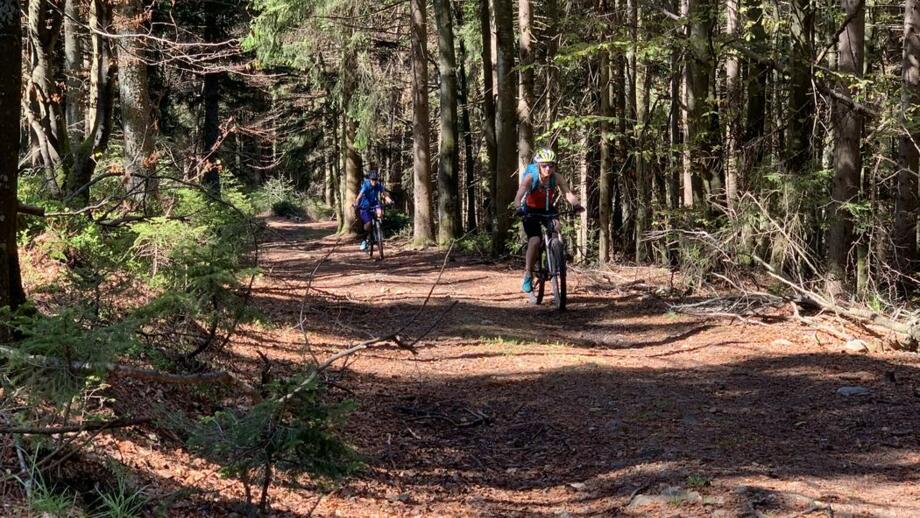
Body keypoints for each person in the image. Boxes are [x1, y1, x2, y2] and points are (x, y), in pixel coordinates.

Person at [513, 148, 583, 293]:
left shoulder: (556, 177)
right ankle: (528, 274)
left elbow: (567, 193)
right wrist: (518, 207)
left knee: (557, 228)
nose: (548, 168)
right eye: (544, 165)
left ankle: (553, 257)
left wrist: (576, 204)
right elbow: (519, 194)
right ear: (539, 166)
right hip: (530, 210)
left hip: (548, 210)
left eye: (551, 165)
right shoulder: (531, 177)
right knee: (535, 240)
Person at [354, 170, 391, 250]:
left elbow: (384, 194)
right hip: (365, 206)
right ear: (370, 179)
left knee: (380, 213)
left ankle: (378, 230)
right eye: (372, 179)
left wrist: (389, 201)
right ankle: (364, 240)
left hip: (375, 203)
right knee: (368, 224)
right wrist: (356, 203)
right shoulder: (366, 185)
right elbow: (359, 195)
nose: (374, 181)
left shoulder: (378, 185)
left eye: (375, 179)